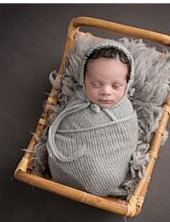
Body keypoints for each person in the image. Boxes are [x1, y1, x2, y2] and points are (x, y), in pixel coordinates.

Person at [47, 41, 138, 197]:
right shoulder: (76, 103)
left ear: (127, 84)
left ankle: (98, 182)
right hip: (65, 162)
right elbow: (63, 131)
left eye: (116, 86)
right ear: (84, 81)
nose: (106, 91)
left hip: (106, 171)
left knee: (107, 177)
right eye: (96, 84)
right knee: (58, 156)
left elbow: (126, 143)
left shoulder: (125, 111)